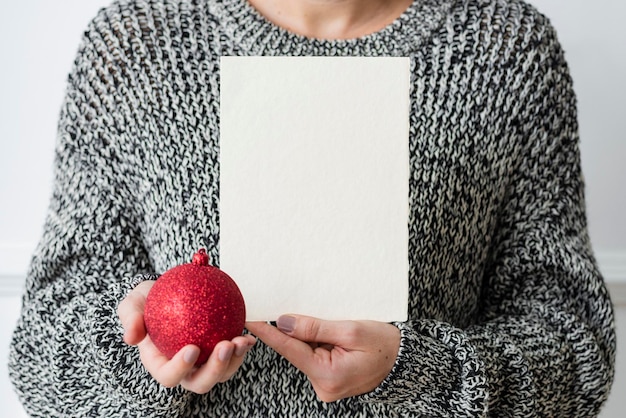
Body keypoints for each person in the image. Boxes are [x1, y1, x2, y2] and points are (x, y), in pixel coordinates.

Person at [8, 0, 616, 416]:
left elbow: (574, 345)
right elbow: (40, 346)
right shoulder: (136, 44)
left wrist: (416, 370)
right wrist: (136, 356)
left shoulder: (507, 51)